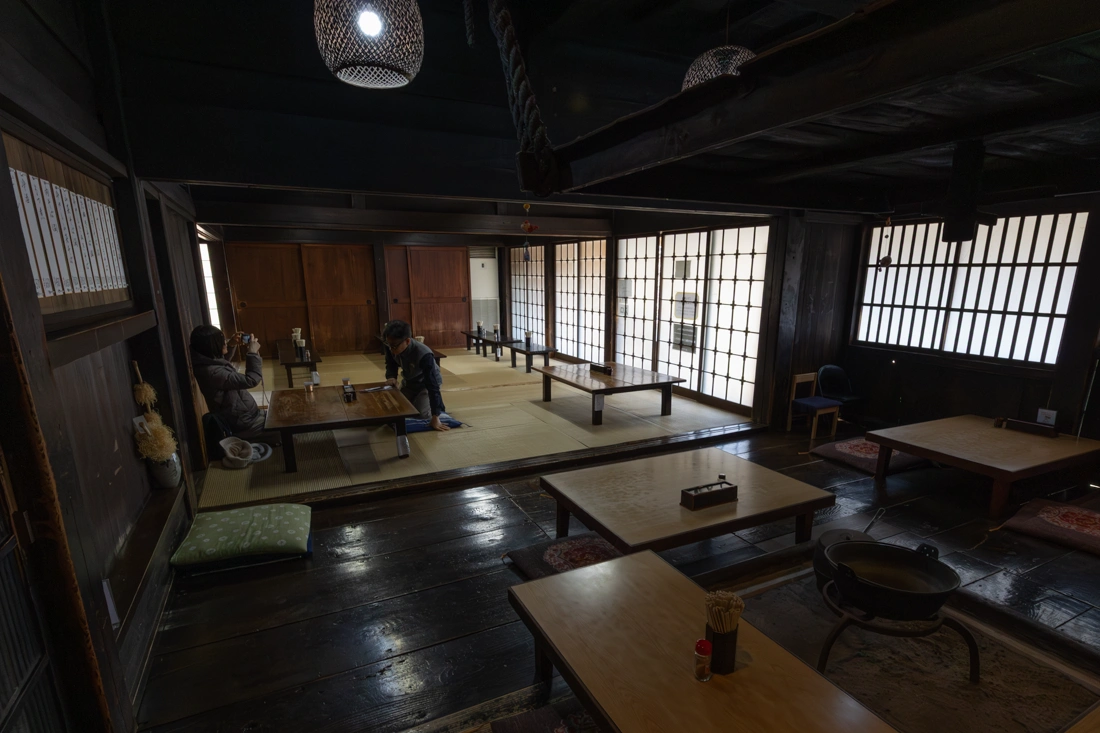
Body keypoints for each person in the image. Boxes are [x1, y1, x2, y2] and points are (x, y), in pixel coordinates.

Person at [190, 325, 267, 438]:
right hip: (244, 424)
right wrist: (252, 353)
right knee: (283, 427)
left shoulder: (206, 362)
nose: (225, 342)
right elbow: (251, 380)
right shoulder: (212, 373)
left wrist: (231, 344)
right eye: (222, 341)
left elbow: (220, 362)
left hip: (247, 416)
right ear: (212, 347)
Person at [382, 320, 450, 431]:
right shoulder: (391, 345)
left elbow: (432, 385)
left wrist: (435, 416)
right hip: (409, 382)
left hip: (425, 385)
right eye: (389, 345)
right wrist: (391, 377)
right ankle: (426, 403)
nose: (391, 349)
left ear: (407, 341)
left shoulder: (424, 354)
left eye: (394, 346)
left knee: (422, 414)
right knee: (396, 409)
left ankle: (438, 409)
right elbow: (390, 363)